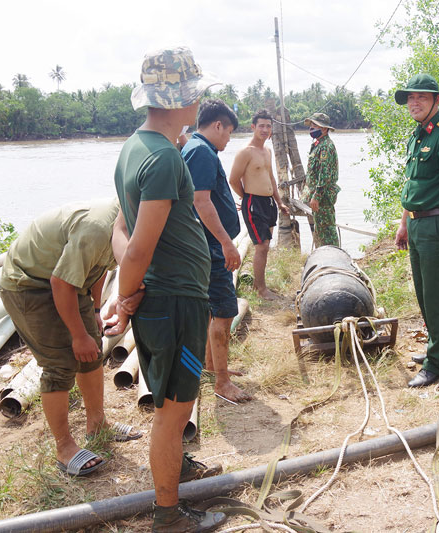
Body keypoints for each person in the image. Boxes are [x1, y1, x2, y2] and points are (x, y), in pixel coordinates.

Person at [108, 47, 226, 533]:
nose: (198, 103)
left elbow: (120, 230)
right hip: (176, 302)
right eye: (196, 94)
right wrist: (126, 294)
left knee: (168, 405)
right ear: (185, 100)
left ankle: (175, 473)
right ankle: (168, 514)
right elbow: (137, 248)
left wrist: (130, 289)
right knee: (173, 414)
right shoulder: (161, 159)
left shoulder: (135, 149)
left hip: (163, 298)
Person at [0, 199, 142, 477]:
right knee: (60, 364)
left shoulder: (128, 225)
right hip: (29, 284)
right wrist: (77, 335)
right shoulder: (98, 228)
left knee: (92, 352)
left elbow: (100, 266)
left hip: (66, 282)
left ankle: (97, 424)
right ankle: (64, 448)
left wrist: (97, 310)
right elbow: (60, 283)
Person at [393, 74, 439, 388]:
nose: (414, 102)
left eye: (421, 97)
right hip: (416, 222)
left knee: (436, 294)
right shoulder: (417, 136)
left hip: (438, 224)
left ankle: (437, 364)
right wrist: (402, 223)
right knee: (424, 293)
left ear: (437, 101)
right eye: (410, 98)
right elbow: (413, 184)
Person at [181, 98, 251, 404]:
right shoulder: (201, 152)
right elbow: (201, 201)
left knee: (213, 310)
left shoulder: (196, 148)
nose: (228, 139)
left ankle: (212, 367)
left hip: (205, 245)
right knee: (223, 311)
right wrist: (225, 242)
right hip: (211, 247)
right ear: (218, 125)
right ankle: (222, 382)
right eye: (229, 133)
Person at [229, 109, 289, 300]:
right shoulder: (245, 152)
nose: (265, 129)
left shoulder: (267, 151)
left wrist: (279, 202)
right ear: (253, 127)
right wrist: (247, 197)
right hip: (254, 203)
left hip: (269, 203)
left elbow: (270, 177)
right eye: (261, 126)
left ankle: (259, 284)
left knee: (266, 244)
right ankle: (261, 289)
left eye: (268, 126)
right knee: (261, 246)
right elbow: (233, 179)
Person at [303, 112, 340, 247]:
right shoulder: (318, 144)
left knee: (327, 230)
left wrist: (317, 196)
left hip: (323, 197)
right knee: (320, 229)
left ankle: (333, 258)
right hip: (319, 195)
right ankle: (324, 257)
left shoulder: (325, 146)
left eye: (315, 125)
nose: (311, 128)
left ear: (324, 129)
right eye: (311, 125)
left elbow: (325, 175)